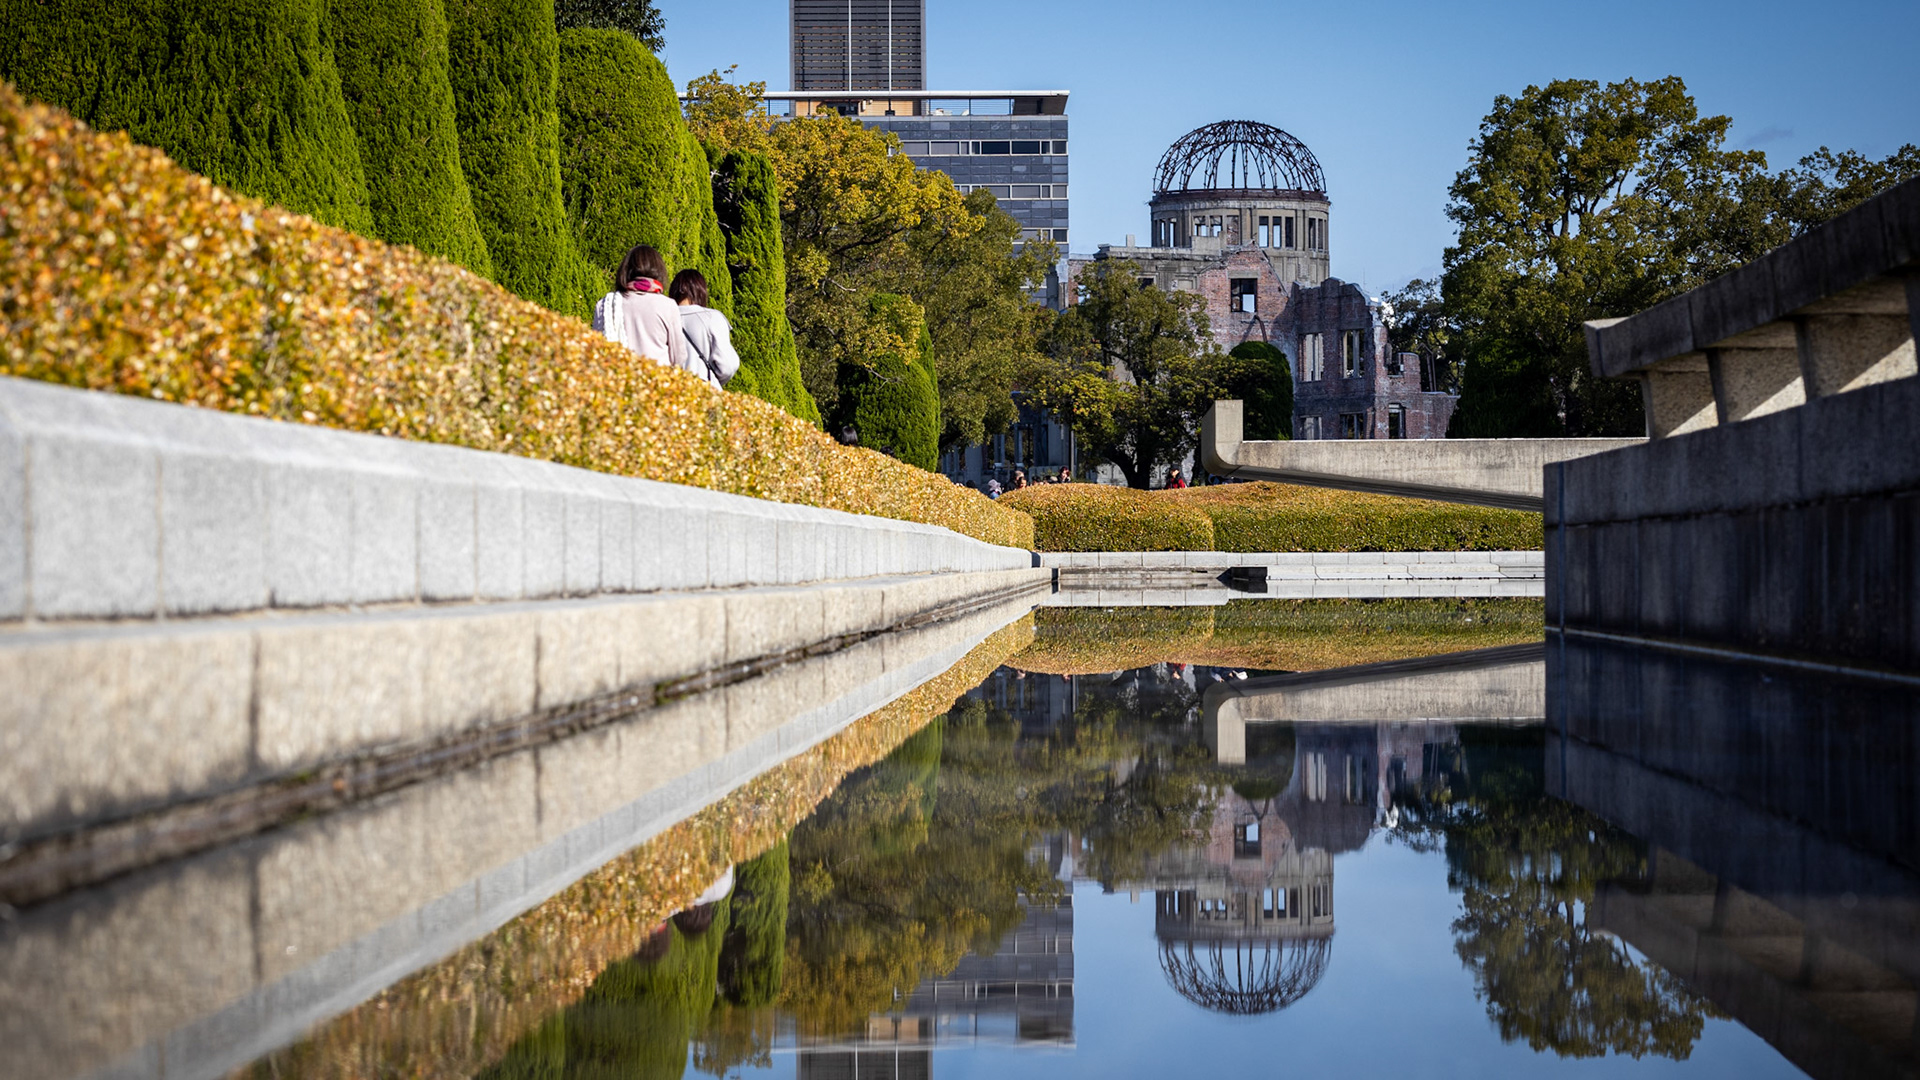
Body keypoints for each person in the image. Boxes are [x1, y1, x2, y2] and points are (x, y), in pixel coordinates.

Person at [593, 245, 689, 372]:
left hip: (617, 380)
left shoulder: (606, 304)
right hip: (656, 379)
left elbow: (596, 352)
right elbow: (679, 357)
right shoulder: (667, 306)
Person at [669, 268, 741, 389]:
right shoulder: (712, 317)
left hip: (668, 391)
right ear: (701, 291)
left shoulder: (662, 316)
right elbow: (727, 366)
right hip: (702, 390)